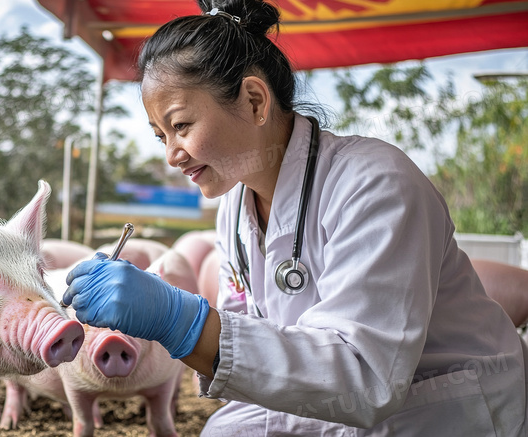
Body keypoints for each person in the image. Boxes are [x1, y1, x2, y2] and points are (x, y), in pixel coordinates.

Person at [63, 0, 528, 434]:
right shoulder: (233, 209)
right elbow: (249, 329)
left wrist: (177, 319)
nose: (171, 155)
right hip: (344, 403)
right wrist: (181, 321)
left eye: (181, 126)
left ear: (254, 101)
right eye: (160, 134)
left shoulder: (376, 185)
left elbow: (366, 376)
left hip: (448, 409)